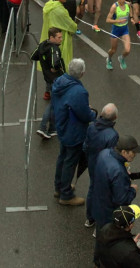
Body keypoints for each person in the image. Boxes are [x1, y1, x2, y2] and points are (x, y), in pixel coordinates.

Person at [53, 58, 96, 205]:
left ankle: (59, 186)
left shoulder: (60, 81)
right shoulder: (79, 91)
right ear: (82, 73)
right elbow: (84, 114)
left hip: (62, 126)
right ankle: (66, 195)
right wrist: (93, 114)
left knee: (62, 158)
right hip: (74, 130)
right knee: (70, 162)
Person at [91, 135, 140, 232]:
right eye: (133, 152)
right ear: (123, 152)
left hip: (98, 202)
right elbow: (122, 200)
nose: (135, 154)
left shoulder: (104, 153)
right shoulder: (118, 172)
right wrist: (133, 190)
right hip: (109, 212)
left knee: (101, 231)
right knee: (109, 238)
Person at [84, 104, 119, 228]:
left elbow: (86, 145)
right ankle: (101, 222)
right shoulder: (113, 135)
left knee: (92, 188)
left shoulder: (92, 127)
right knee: (104, 194)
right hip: (103, 167)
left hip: (92, 162)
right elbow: (111, 156)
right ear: (115, 117)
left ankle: (90, 218)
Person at [32, 27, 66, 138]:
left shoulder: (42, 45)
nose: (61, 39)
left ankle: (52, 128)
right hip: (57, 80)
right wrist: (55, 68)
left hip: (48, 79)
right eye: (59, 37)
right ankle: (43, 127)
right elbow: (55, 64)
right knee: (53, 105)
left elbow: (34, 56)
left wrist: (45, 64)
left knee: (54, 104)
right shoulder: (54, 49)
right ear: (52, 37)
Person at [42, 0, 78, 67]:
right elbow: (72, 26)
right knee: (61, 62)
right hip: (61, 39)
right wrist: (75, 27)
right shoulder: (60, 10)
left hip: (51, 37)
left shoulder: (49, 5)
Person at [106, 0, 132, 71]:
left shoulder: (127, 4)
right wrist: (118, 21)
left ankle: (121, 58)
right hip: (116, 30)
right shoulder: (114, 7)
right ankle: (109, 59)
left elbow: (130, 10)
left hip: (124, 29)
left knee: (127, 50)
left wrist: (131, 18)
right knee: (113, 50)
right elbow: (108, 20)